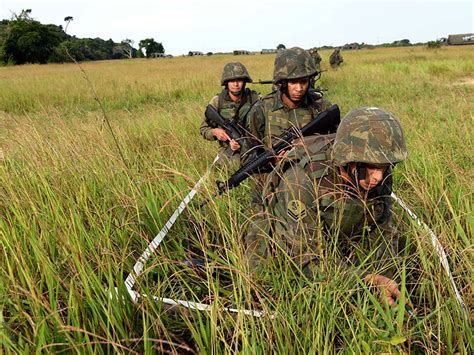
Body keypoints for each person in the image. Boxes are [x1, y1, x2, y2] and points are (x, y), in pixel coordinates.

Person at [244, 107, 408, 306]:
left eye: (384, 167)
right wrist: (366, 281)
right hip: (285, 244)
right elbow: (304, 257)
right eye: (372, 167)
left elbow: (383, 229)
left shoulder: (374, 171)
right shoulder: (301, 181)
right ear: (348, 159)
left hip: (333, 237)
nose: (378, 177)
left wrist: (389, 280)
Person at [241, 47, 332, 209]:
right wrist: (272, 161)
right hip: (270, 186)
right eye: (293, 82)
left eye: (304, 82)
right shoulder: (262, 110)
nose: (299, 88)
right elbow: (248, 155)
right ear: (282, 83)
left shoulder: (321, 108)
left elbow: (335, 148)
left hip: (313, 184)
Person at [199, 62, 260, 169]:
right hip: (229, 149)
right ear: (226, 82)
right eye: (232, 81)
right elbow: (204, 129)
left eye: (239, 80)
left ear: (245, 82)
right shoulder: (217, 101)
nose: (236, 84)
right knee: (231, 168)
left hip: (255, 146)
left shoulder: (255, 98)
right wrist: (215, 132)